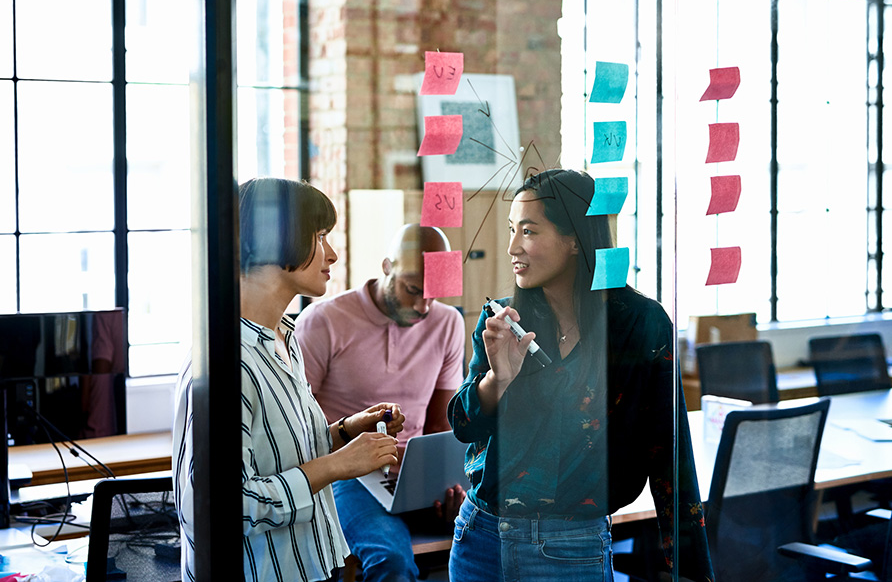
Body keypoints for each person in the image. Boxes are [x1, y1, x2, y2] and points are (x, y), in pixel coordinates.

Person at [447, 168, 714, 582]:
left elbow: (669, 454)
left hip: (573, 548)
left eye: (529, 231)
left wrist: (689, 570)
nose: (512, 246)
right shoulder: (505, 319)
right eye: (512, 229)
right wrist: (498, 378)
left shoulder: (639, 325)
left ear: (574, 239)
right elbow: (464, 426)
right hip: (480, 539)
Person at [173, 177, 406, 582]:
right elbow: (222, 507)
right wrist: (336, 466)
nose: (331, 254)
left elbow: (279, 455)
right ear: (273, 240)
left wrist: (344, 434)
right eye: (319, 237)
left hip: (312, 565)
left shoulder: (286, 335)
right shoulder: (226, 363)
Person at [295, 223, 467, 582]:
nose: (423, 306)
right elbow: (296, 427)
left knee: (500, 535)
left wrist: (449, 480)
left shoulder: (448, 322)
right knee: (390, 559)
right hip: (348, 476)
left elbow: (440, 425)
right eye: (412, 290)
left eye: (434, 295)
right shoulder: (324, 322)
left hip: (417, 473)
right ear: (387, 267)